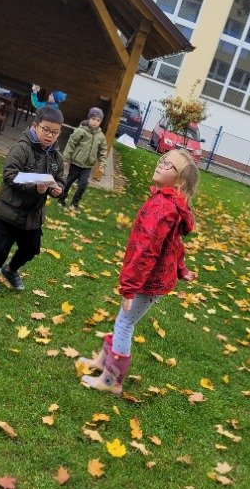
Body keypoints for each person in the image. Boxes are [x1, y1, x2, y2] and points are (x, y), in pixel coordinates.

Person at [79, 148, 198, 395]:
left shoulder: (163, 207)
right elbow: (174, 244)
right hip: (151, 279)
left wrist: (130, 288)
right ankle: (102, 361)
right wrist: (182, 269)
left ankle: (111, 381)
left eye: (169, 165)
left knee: (125, 323)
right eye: (162, 160)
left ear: (179, 181)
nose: (161, 164)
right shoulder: (168, 203)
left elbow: (146, 250)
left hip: (147, 281)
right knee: (122, 319)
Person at [0, 106, 66, 294]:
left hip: (33, 215)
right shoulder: (21, 148)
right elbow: (9, 176)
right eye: (46, 129)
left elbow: (59, 179)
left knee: (31, 249)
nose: (50, 135)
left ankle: (11, 270)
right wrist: (34, 187)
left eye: (55, 132)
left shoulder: (57, 158)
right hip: (10, 211)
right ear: (35, 126)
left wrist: (57, 190)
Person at [59, 107, 108, 210]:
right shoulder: (80, 131)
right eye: (93, 119)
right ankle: (61, 199)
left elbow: (102, 151)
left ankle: (74, 204)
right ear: (88, 118)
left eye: (98, 120)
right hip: (76, 163)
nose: (95, 122)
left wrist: (102, 164)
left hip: (87, 166)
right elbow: (71, 144)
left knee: (83, 184)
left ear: (100, 122)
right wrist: (65, 159)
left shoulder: (101, 136)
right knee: (68, 182)